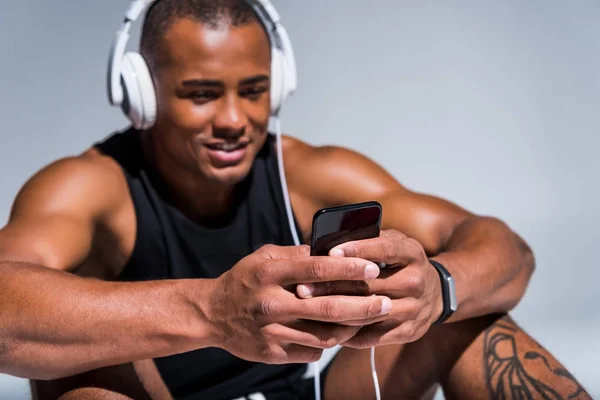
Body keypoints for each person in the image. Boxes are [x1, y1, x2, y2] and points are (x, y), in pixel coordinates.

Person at [0, 0, 591, 399]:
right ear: (141, 92)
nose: (234, 119)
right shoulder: (89, 187)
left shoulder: (306, 170)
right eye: (201, 94)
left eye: (254, 91)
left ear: (278, 85)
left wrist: (440, 286)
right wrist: (211, 311)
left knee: (463, 320)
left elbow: (506, 249)